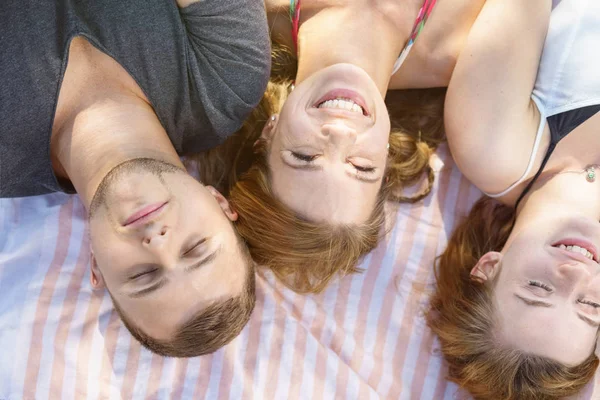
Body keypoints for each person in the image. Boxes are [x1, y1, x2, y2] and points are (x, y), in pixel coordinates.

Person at [0, 0, 270, 357]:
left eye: (143, 276)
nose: (158, 243)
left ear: (96, 266)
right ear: (220, 203)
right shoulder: (226, 79)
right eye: (195, 248)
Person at [203, 0, 486, 293]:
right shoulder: (466, 50)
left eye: (305, 156)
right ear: (386, 159)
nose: (339, 133)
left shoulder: (248, 12)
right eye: (361, 167)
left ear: (269, 132)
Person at [427, 0, 600, 398]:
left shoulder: (493, 147)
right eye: (589, 307)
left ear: (489, 267)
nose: (577, 275)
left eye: (538, 288)